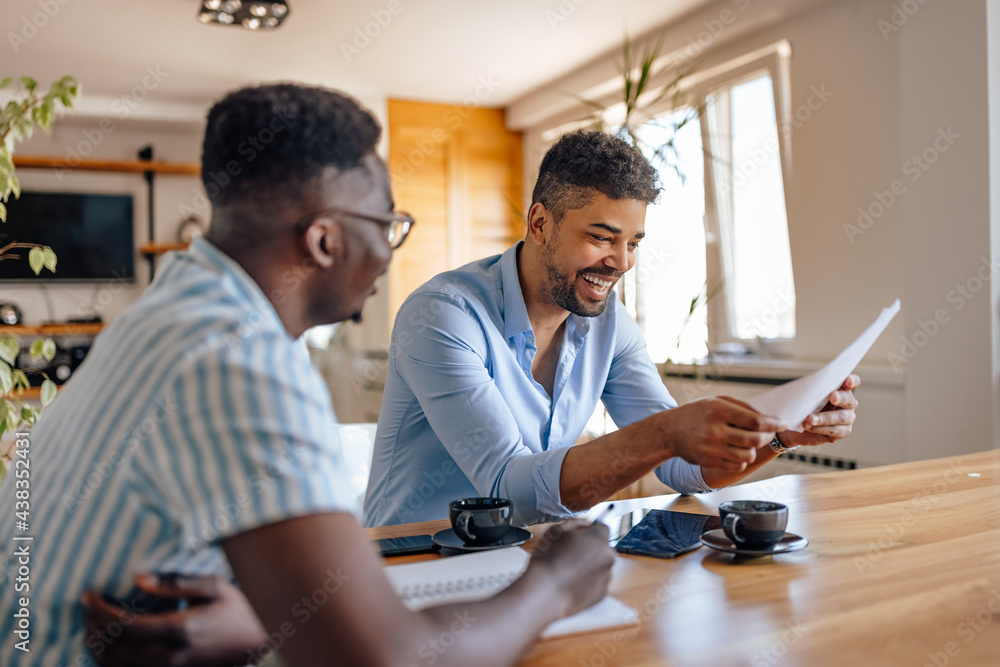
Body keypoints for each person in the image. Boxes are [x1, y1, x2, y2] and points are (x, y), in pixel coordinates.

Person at [0, 84, 615, 667]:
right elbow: (386, 659)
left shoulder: (175, 309)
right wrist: (557, 581)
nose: (388, 250)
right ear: (324, 240)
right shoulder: (242, 358)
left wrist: (266, 623)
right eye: (388, 225)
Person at [363, 129, 860, 528]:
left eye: (634, 243)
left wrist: (780, 435)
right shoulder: (443, 314)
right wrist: (664, 432)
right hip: (412, 560)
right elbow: (506, 488)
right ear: (539, 224)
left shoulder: (608, 324)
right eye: (602, 238)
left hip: (523, 557)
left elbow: (684, 470)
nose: (621, 262)